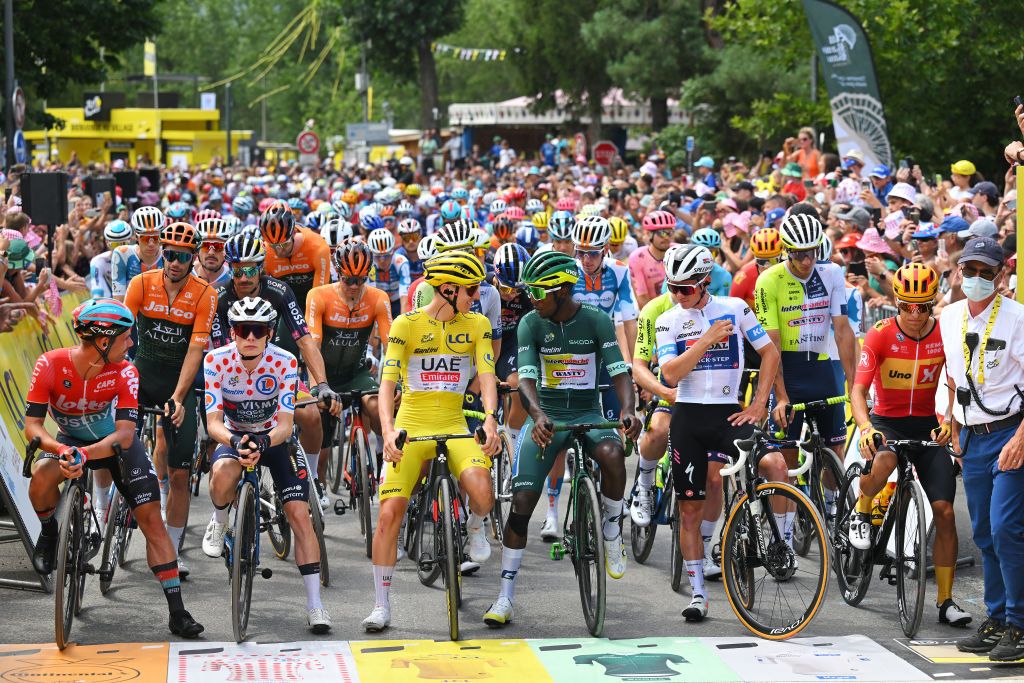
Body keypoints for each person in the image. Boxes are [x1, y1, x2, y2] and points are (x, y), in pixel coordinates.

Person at [26, 298, 203, 638]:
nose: (132, 343)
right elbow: (33, 426)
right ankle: (49, 533)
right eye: (126, 337)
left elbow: (124, 434)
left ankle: (177, 611)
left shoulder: (125, 370)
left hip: (116, 448)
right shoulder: (50, 364)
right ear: (104, 341)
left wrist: (83, 454)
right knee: (40, 478)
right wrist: (62, 449)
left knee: (152, 519)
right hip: (68, 443)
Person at [483, 250, 640, 627]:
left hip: (587, 412)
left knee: (612, 452)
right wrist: (537, 416)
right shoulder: (530, 323)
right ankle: (505, 596)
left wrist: (628, 410)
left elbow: (620, 371)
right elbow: (524, 378)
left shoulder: (597, 321)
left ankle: (613, 525)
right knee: (521, 502)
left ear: (562, 292)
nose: (531, 298)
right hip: (547, 415)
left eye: (538, 291)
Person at [363, 251, 500, 633]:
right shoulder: (406, 325)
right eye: (471, 289)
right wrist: (389, 432)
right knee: (389, 513)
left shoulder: (476, 324)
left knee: (483, 493)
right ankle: (381, 603)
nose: (477, 295)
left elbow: (487, 374)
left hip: (455, 424)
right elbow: (387, 383)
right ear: (448, 289)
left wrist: (490, 420)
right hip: (411, 425)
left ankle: (474, 529)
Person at [655, 244, 779, 621]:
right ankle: (697, 594)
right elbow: (670, 374)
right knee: (689, 511)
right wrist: (705, 341)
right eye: (672, 287)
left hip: (729, 415)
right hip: (689, 418)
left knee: (773, 463)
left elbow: (770, 353)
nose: (678, 295)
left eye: (686, 289)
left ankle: (775, 538)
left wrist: (759, 404)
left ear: (705, 282)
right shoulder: (669, 320)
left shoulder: (734, 309)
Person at [850, 263, 972, 628]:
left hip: (925, 424)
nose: (915, 315)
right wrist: (867, 426)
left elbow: (954, 382)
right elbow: (858, 389)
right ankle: (862, 507)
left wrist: (950, 421)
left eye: (924, 306)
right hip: (885, 420)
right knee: (884, 462)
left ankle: (946, 601)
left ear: (933, 301)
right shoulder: (881, 334)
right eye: (907, 306)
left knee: (945, 512)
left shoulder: (944, 335)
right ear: (897, 302)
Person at [203, 296, 331, 633]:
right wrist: (234, 442)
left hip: (273, 439)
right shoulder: (215, 360)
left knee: (299, 515)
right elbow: (213, 421)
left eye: (257, 330)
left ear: (269, 333)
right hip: (233, 436)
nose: (249, 337)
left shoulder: (285, 361)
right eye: (242, 330)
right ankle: (219, 521)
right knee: (221, 472)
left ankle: (315, 604)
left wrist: (262, 441)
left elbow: (287, 424)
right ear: (232, 332)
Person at [205, 232, 334, 508]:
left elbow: (305, 339)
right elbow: (220, 351)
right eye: (237, 270)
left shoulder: (279, 291)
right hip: (238, 381)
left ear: (261, 267)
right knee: (212, 436)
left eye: (251, 270)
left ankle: (312, 478)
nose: (243, 278)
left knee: (311, 414)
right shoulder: (219, 297)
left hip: (277, 375)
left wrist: (321, 383)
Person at [940, 237, 1024, 661]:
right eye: (968, 270)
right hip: (972, 436)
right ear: (959, 272)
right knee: (986, 534)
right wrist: (951, 423)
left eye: (985, 272)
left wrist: (1021, 438)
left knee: (1007, 528)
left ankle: (1020, 623)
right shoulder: (949, 316)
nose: (975, 278)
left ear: (1001, 275)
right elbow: (953, 377)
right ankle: (997, 618)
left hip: (1011, 434)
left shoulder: (1018, 318)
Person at [755, 213, 857, 544]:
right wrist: (781, 396)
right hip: (788, 371)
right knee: (783, 463)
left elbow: (843, 331)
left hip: (822, 368)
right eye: (798, 253)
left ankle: (829, 507)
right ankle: (782, 538)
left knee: (835, 450)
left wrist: (855, 385)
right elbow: (771, 348)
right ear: (786, 251)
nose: (806, 260)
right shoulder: (768, 281)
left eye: (812, 251)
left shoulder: (832, 273)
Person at [124, 221, 217, 577]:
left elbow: (196, 350)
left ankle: (173, 551)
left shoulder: (205, 292)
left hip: (179, 383)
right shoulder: (141, 283)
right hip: (142, 375)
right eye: (169, 254)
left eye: (182, 256)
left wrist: (179, 398)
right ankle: (104, 513)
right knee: (112, 447)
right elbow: (122, 329)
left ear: (194, 258)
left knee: (180, 474)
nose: (174, 262)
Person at [306, 240, 391, 500]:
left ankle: (383, 461)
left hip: (356, 372)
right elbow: (312, 346)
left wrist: (393, 383)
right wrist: (318, 386)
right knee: (321, 430)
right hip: (325, 373)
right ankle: (317, 485)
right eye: (348, 279)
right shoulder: (319, 296)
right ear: (337, 272)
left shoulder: (378, 298)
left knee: (378, 406)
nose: (354, 286)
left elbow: (391, 346)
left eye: (361, 280)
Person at [111, 206, 164, 301]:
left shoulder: (168, 255)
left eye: (156, 238)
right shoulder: (122, 254)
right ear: (136, 236)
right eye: (145, 238)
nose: (151, 244)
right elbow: (118, 300)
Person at [628, 210, 674, 310]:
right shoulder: (637, 258)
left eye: (670, 232)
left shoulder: (678, 251)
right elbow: (642, 299)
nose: (666, 237)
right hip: (653, 312)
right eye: (662, 233)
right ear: (649, 234)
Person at [90, 220, 133, 298]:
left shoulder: (140, 258)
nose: (119, 248)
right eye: (115, 244)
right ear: (107, 243)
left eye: (123, 244)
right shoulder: (98, 261)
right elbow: (97, 290)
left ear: (130, 240)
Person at [194, 214, 233, 287]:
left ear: (227, 250)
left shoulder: (232, 280)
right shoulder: (185, 274)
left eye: (218, 246)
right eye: (205, 246)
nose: (211, 253)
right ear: (197, 249)